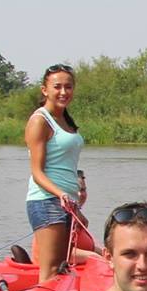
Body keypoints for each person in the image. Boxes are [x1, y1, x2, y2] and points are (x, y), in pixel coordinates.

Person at [24, 63, 85, 276]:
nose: (63, 92)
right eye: (57, 87)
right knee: (50, 270)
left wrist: (75, 199)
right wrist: (61, 194)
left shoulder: (65, 120)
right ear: (45, 90)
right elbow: (37, 172)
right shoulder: (40, 121)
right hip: (46, 200)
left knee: (63, 267)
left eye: (68, 87)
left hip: (66, 201)